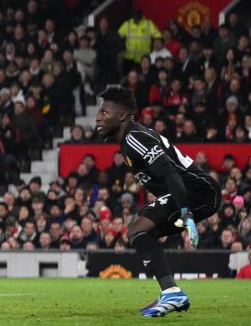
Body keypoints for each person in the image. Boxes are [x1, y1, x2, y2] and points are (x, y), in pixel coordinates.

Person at [94, 86, 222, 317]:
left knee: (137, 229)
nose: (98, 117)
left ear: (122, 115)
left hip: (199, 191)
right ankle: (169, 292)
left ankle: (172, 292)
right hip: (189, 192)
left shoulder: (135, 138)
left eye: (104, 112)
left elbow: (171, 175)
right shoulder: (130, 138)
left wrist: (186, 213)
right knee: (138, 230)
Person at [119, 9, 162, 74]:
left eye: (139, 19)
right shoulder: (127, 24)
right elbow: (118, 37)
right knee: (127, 75)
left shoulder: (148, 24)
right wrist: (121, 49)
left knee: (141, 76)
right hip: (129, 56)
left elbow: (158, 36)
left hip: (143, 58)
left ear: (142, 17)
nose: (137, 21)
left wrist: (155, 45)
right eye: (135, 19)